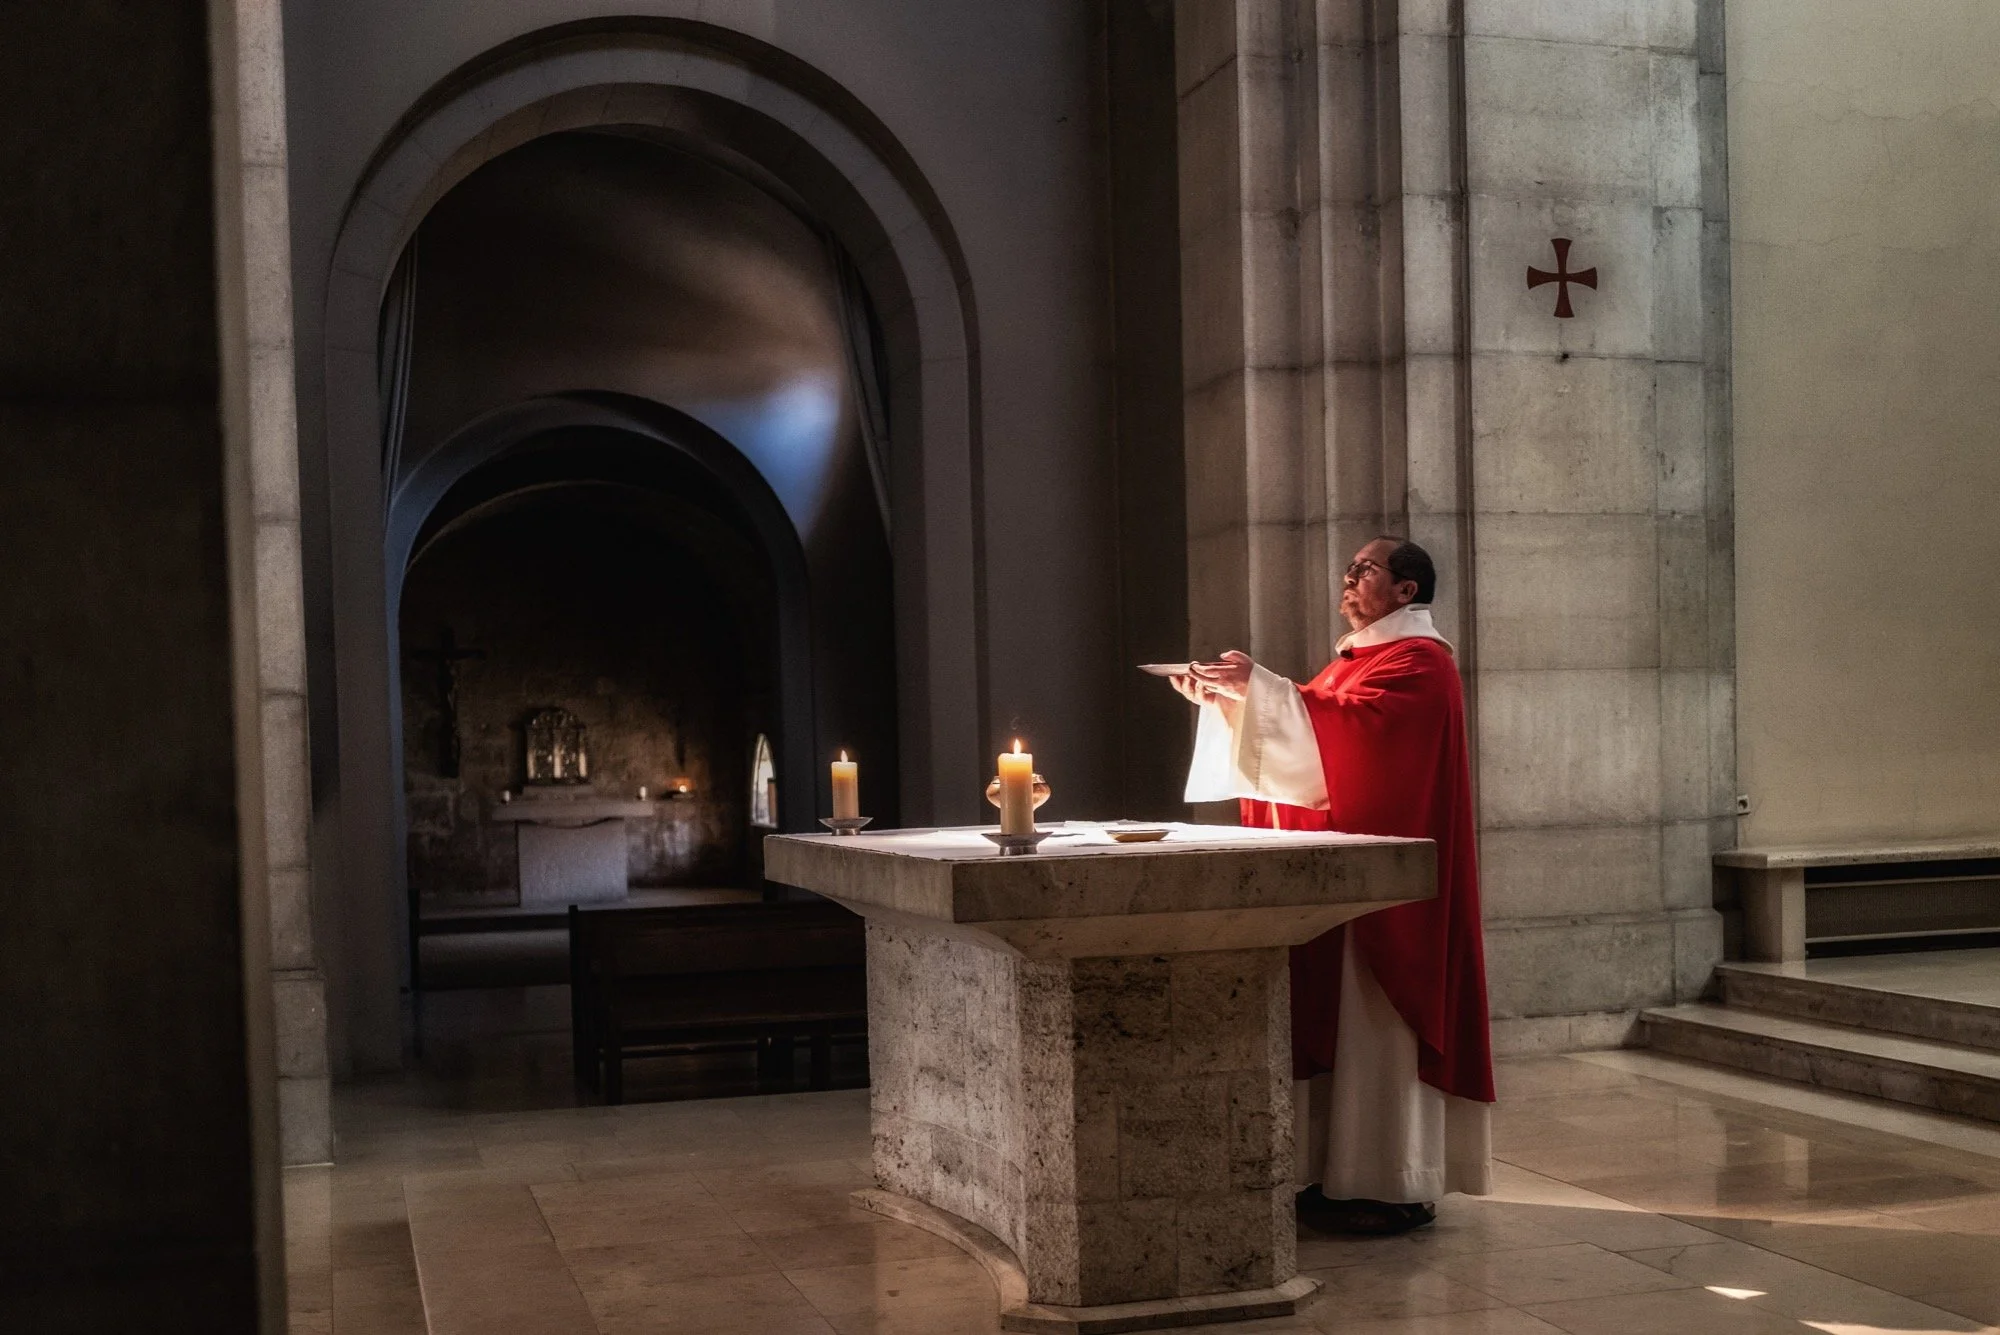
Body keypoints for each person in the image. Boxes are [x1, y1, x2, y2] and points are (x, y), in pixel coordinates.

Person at [1170, 536, 1494, 1235]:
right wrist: (1233, 701)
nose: (1348, 578)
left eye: (1365, 569)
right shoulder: (1356, 661)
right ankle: (1343, 1175)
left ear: (1407, 591)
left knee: (1381, 1028)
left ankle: (1394, 1180)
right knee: (1346, 1028)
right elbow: (1310, 733)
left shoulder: (1420, 663)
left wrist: (1261, 688)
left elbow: (1357, 741)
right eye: (1349, 568)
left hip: (1392, 905)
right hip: (1350, 888)